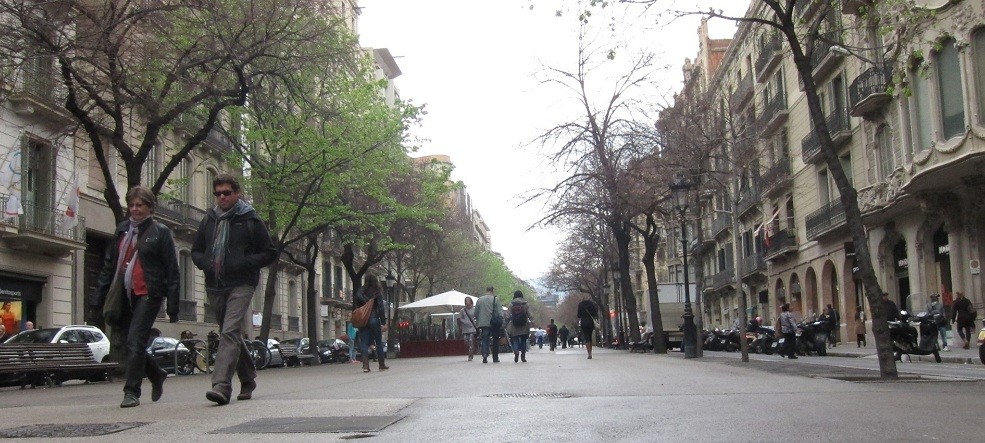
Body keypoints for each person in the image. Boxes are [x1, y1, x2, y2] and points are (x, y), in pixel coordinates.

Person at [192, 174, 277, 406]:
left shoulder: (250, 219)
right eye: (218, 193)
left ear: (237, 193)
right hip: (215, 284)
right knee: (233, 336)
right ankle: (248, 378)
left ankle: (221, 385)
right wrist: (206, 263)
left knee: (228, 332)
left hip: (242, 284)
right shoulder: (209, 220)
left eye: (227, 192)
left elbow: (270, 252)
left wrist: (245, 262)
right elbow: (196, 250)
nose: (222, 197)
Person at [92, 186, 180, 408]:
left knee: (135, 340)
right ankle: (156, 373)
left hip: (148, 293)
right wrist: (98, 298)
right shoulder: (122, 230)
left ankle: (131, 391)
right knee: (131, 343)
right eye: (131, 205)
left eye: (139, 205)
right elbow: (110, 266)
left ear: (150, 207)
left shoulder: (161, 232)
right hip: (124, 293)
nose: (134, 209)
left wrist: (173, 305)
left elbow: (172, 270)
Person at [354, 275, 388, 373]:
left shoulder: (360, 291)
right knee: (378, 342)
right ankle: (381, 365)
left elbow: (357, 305)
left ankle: (365, 366)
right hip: (374, 318)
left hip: (363, 319)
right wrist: (383, 323)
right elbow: (381, 308)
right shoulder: (376, 291)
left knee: (364, 342)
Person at [474, 286, 502, 364]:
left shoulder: (480, 300)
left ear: (486, 290)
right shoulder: (496, 299)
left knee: (485, 339)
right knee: (495, 340)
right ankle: (495, 358)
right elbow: (500, 312)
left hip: (483, 323)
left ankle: (485, 355)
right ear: (493, 291)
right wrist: (501, 321)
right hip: (494, 323)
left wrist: (478, 320)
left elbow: (475, 312)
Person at [506, 291, 532, 363]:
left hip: (514, 324)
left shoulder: (511, 304)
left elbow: (507, 315)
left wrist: (505, 324)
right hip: (524, 324)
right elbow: (530, 314)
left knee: (515, 340)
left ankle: (516, 352)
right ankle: (523, 355)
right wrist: (533, 321)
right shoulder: (525, 304)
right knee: (523, 340)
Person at [458, 297, 478, 361]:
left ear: (471, 301)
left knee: (471, 341)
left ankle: (470, 355)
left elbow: (477, 317)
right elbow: (460, 318)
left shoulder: (474, 309)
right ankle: (471, 350)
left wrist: (475, 323)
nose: (467, 302)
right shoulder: (462, 310)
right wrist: (464, 322)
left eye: (468, 300)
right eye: (466, 301)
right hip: (465, 328)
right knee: (466, 341)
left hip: (472, 328)